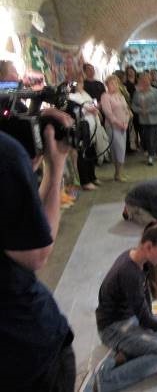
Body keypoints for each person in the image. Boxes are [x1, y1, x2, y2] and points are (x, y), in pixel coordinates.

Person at [1, 106, 76, 392]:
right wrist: (55, 171)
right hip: (24, 349)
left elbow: (19, 227)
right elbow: (35, 251)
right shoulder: (6, 155)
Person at [82, 223, 157, 391]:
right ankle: (104, 380)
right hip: (113, 329)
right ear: (148, 246)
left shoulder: (138, 260)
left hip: (132, 320)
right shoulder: (129, 273)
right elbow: (145, 320)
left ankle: (127, 353)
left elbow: (146, 307)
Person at [68, 77, 102, 190]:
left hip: (91, 127)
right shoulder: (71, 97)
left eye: (81, 83)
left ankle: (92, 176)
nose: (80, 85)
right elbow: (74, 111)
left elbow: (92, 104)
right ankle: (85, 181)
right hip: (81, 129)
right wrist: (87, 110)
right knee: (82, 154)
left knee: (91, 152)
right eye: (78, 83)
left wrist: (95, 108)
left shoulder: (85, 94)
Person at [101, 75, 132, 181]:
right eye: (111, 83)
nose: (113, 85)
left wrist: (126, 122)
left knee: (122, 150)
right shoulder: (105, 96)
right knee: (117, 150)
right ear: (107, 85)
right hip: (113, 127)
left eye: (115, 83)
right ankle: (118, 173)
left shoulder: (120, 95)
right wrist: (120, 124)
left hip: (124, 126)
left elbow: (126, 109)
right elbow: (108, 114)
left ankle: (120, 173)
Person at [132, 72, 157, 166]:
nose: (144, 82)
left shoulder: (156, 92)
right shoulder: (137, 93)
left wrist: (148, 110)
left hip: (155, 119)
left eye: (146, 80)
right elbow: (133, 105)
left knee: (152, 136)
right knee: (147, 137)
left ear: (150, 80)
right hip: (143, 120)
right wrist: (140, 110)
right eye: (142, 80)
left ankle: (151, 156)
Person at [124, 66, 140, 152]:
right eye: (129, 71)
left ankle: (140, 143)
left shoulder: (138, 81)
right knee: (133, 126)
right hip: (131, 106)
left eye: (132, 71)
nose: (131, 72)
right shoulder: (125, 83)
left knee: (139, 125)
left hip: (140, 105)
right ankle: (133, 144)